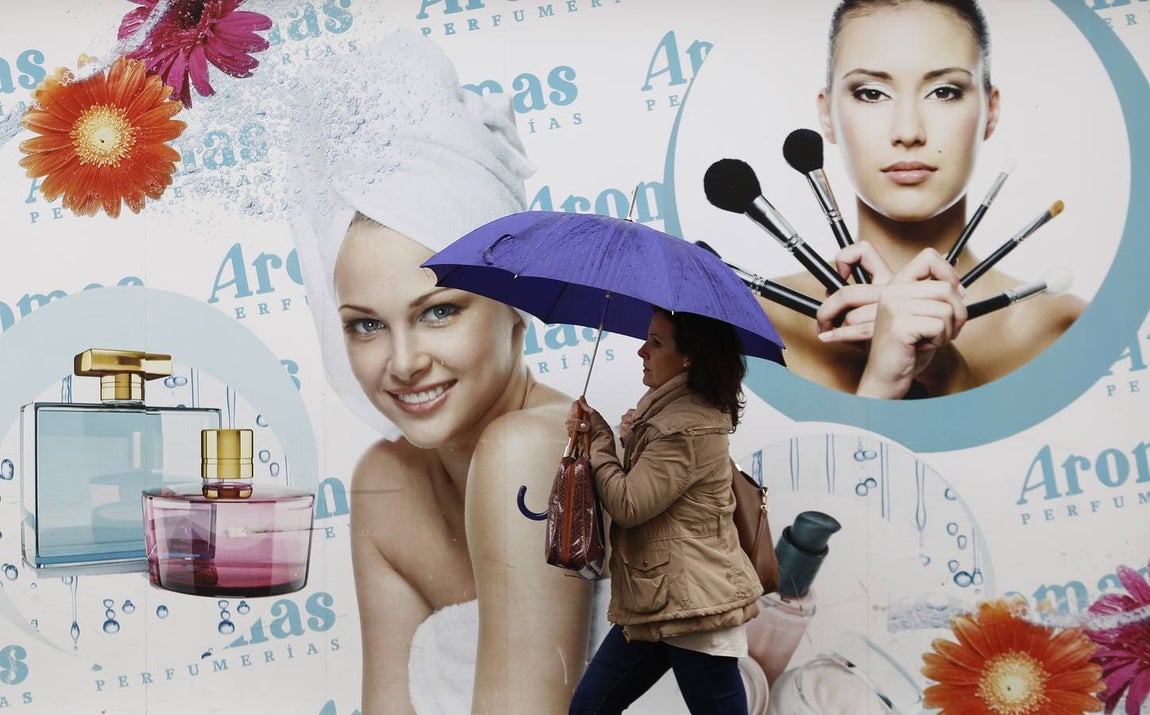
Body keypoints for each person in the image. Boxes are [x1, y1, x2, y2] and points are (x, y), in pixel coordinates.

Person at [288, 31, 593, 714]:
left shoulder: (536, 449)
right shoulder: (385, 484)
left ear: (515, 298)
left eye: (438, 311)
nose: (402, 362)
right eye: (366, 323)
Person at [762, 0, 1085, 399]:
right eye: (872, 93)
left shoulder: (1069, 330)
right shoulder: (752, 329)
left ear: (990, 111)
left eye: (944, 92)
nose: (908, 131)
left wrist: (947, 371)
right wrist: (881, 381)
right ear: (827, 116)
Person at [565, 308, 764, 714]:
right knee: (590, 707)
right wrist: (631, 436)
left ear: (688, 356)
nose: (642, 351)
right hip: (658, 598)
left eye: (656, 343)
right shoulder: (672, 414)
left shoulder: (682, 426)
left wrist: (599, 439)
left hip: (693, 607)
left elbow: (629, 504)